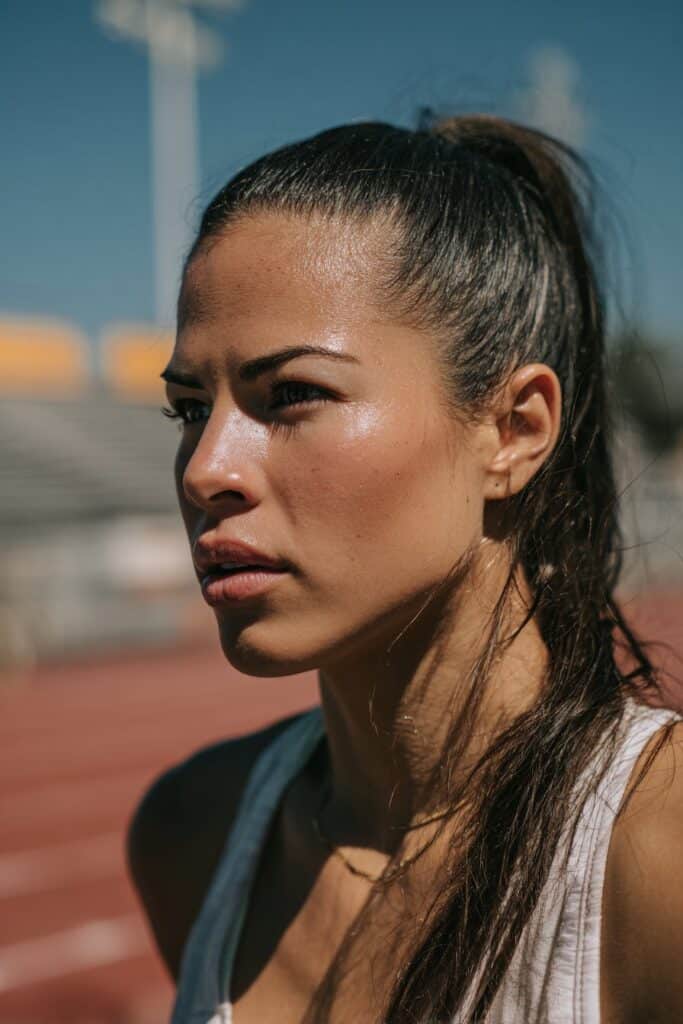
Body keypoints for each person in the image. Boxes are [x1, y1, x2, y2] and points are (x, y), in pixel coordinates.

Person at [128, 113, 683, 1023]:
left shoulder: (653, 865)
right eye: (188, 409)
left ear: (513, 431)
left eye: (293, 394)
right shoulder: (190, 830)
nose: (205, 470)